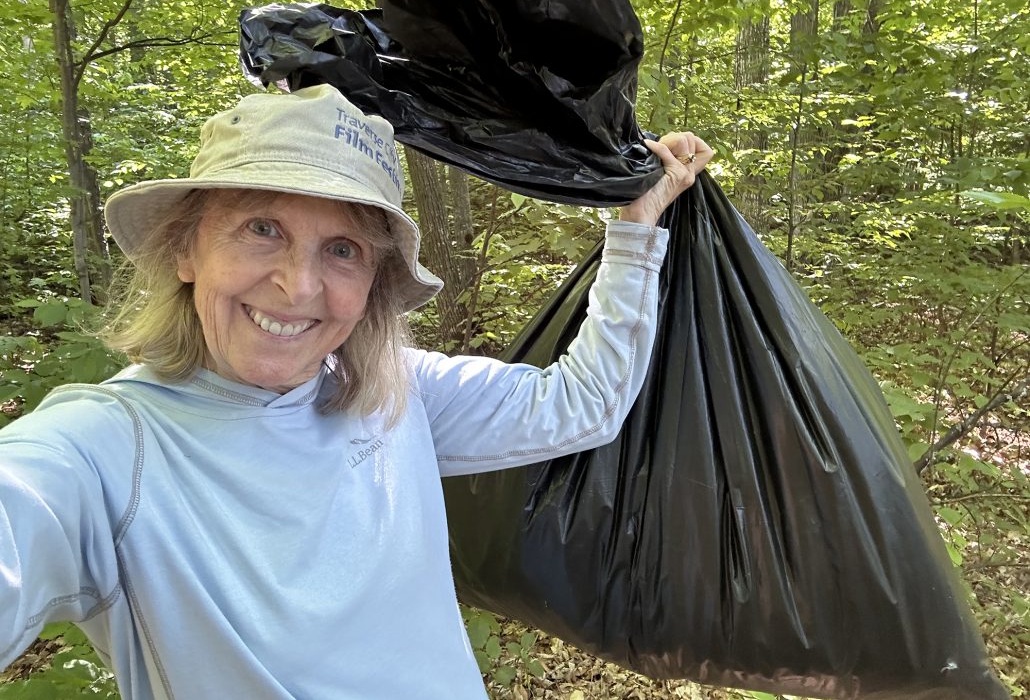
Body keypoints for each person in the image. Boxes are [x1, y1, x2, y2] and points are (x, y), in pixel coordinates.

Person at [0, 83, 713, 699]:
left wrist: (636, 226)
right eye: (261, 227)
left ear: (372, 280)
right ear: (186, 248)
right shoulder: (106, 449)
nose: (298, 284)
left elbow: (582, 403)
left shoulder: (394, 391)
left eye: (341, 248)